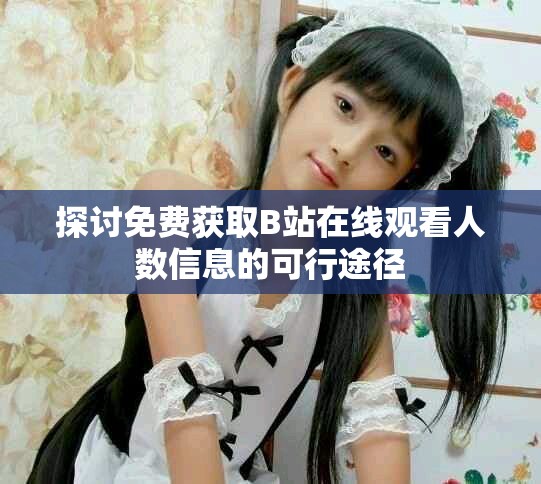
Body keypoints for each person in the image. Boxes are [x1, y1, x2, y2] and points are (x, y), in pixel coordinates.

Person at [27, 1, 508, 483]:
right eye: (346, 107)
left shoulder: (354, 295)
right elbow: (186, 416)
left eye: (385, 151)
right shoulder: (171, 205)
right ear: (292, 87)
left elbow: (381, 438)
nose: (347, 149)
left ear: (397, 188)